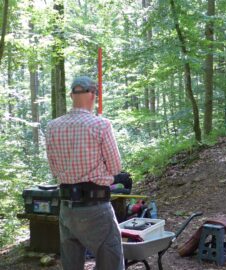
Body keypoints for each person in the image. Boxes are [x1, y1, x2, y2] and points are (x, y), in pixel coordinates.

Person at [46, 76, 124, 270]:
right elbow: (115, 168)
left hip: (67, 210)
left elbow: (55, 169)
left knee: (72, 265)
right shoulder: (101, 125)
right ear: (93, 96)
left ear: (72, 95)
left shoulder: (52, 127)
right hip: (96, 207)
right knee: (111, 263)